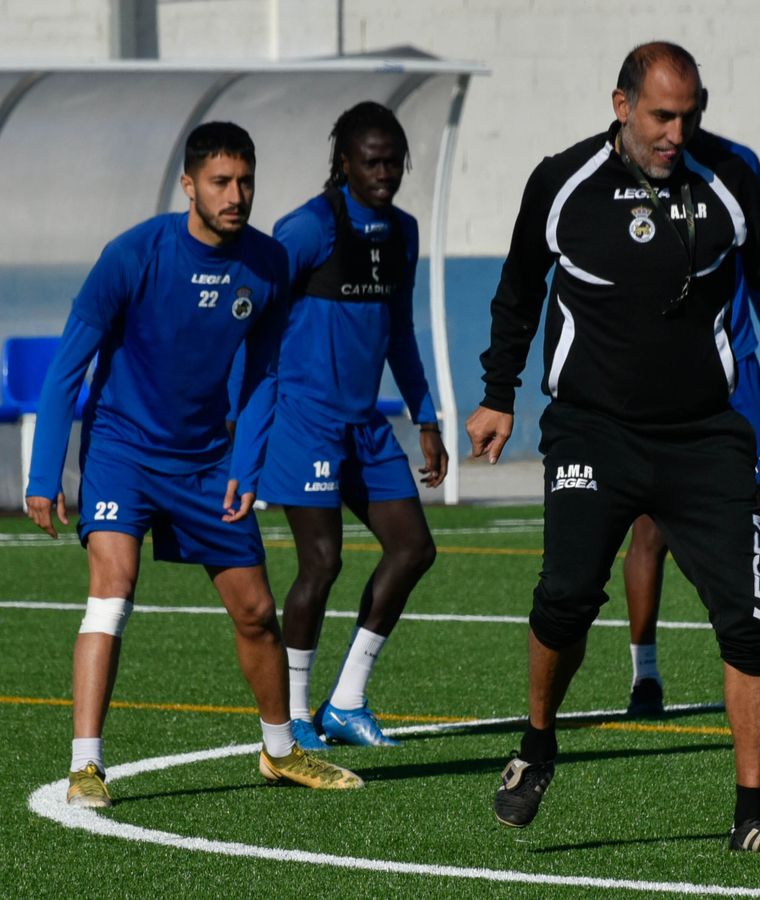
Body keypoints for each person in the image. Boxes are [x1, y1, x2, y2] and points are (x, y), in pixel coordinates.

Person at [467, 41, 760, 853]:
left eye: (690, 116)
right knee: (565, 598)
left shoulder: (729, 180)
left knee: (753, 624)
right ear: (622, 105)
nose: (676, 133)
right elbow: (518, 292)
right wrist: (497, 393)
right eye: (662, 116)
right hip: (592, 430)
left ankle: (750, 815)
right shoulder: (562, 183)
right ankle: (537, 745)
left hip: (705, 437)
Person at [25, 122, 362, 809]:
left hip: (206, 459)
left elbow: (264, 372)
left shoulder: (268, 263)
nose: (235, 195)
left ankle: (279, 752)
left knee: (256, 610)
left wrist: (246, 463)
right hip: (122, 449)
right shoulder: (133, 254)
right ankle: (86, 766)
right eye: (220, 182)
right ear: (189, 185)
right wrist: (43, 474)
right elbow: (67, 367)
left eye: (245, 182)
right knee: (112, 590)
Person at [256, 101, 446, 751]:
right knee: (322, 562)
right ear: (345, 163)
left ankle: (346, 702)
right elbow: (256, 318)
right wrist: (237, 413)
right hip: (304, 422)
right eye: (372, 162)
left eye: (394, 162)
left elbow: (400, 331)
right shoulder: (306, 229)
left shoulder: (403, 232)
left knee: (414, 548)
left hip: (366, 426)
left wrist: (426, 415)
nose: (385, 173)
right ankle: (293, 716)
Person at [621, 120, 760, 717]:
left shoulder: (738, 166)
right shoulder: (631, 170)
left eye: (688, 108)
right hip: (666, 377)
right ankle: (644, 677)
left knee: (751, 518)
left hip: (740, 371)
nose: (677, 123)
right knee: (650, 526)